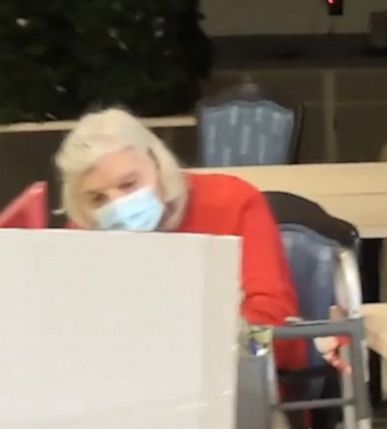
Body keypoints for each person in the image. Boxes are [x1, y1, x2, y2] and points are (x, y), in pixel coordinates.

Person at [55, 108, 305, 369]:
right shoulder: (82, 233)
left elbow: (277, 336)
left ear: (157, 164)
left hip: (238, 385)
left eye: (129, 184)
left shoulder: (233, 203)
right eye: (97, 199)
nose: (117, 206)